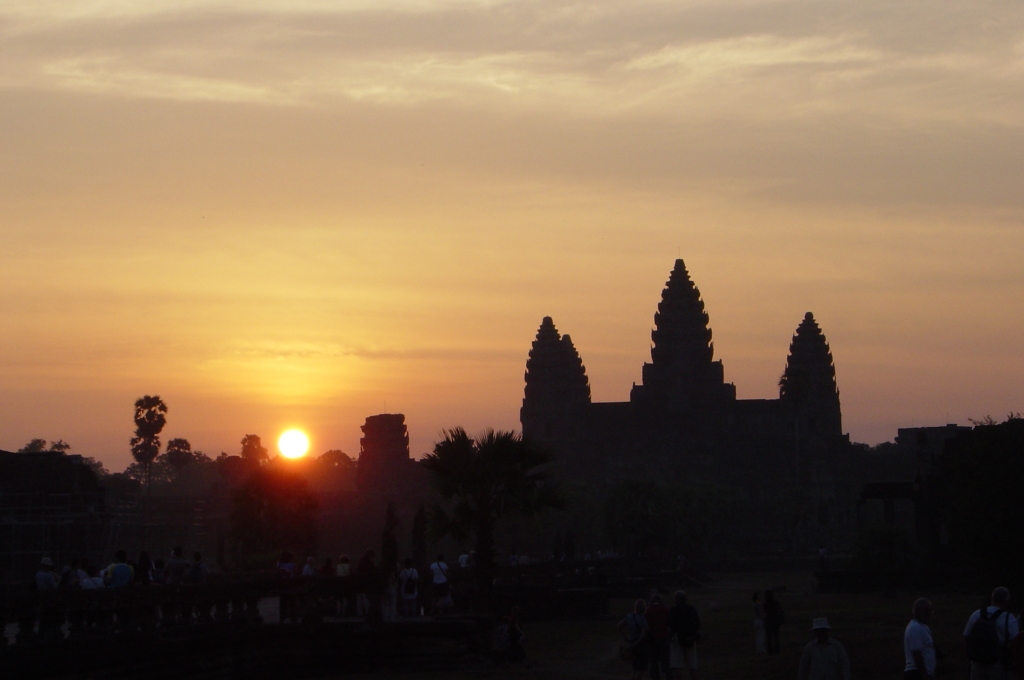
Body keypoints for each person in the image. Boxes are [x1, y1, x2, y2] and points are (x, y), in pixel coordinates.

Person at [965, 587, 1019, 679]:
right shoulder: (1008, 618)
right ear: (1006, 600)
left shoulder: (976, 614)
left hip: (977, 664)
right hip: (998, 664)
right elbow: (1016, 642)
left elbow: (966, 636)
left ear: (992, 598)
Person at [668, 590, 700, 680]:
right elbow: (698, 625)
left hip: (677, 640)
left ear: (677, 600)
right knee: (693, 667)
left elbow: (670, 627)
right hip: (691, 639)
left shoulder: (673, 611)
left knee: (677, 667)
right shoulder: (692, 610)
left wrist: (669, 638)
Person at [905, 598, 936, 680]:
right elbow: (916, 653)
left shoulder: (923, 626)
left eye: (931, 611)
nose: (929, 613)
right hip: (916, 674)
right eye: (927, 610)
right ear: (917, 611)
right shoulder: (915, 628)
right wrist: (924, 675)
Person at [619, 599, 650, 680]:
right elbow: (643, 636)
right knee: (641, 668)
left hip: (632, 643)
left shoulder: (629, 617)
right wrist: (636, 643)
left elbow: (619, 626)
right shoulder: (643, 619)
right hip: (641, 645)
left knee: (634, 667)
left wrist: (627, 639)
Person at [646, 592, 672, 680]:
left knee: (654, 660)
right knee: (665, 659)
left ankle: (656, 677)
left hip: (653, 637)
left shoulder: (649, 610)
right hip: (664, 636)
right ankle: (668, 676)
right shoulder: (665, 609)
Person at [764, 590, 784, 655]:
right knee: (776, 637)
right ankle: (777, 650)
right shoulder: (776, 603)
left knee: (769, 637)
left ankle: (770, 650)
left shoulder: (765, 604)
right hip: (775, 621)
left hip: (769, 622)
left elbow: (764, 613)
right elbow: (780, 611)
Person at [356, 550, 376, 617]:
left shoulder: (361, 561)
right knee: (366, 599)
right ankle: (368, 613)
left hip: (359, 582)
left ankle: (360, 613)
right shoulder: (368, 563)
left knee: (360, 599)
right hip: (366, 582)